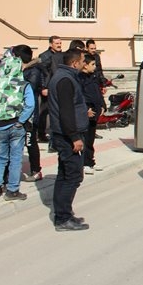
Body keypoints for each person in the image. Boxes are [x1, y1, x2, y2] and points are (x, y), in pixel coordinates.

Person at [48, 47, 90, 231]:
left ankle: (64, 213)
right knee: (72, 176)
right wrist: (74, 137)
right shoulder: (65, 80)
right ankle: (63, 219)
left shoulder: (65, 76)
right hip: (68, 137)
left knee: (65, 175)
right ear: (75, 63)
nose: (84, 63)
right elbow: (66, 112)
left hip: (65, 134)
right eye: (82, 60)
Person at [0, 50, 35, 201]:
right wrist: (21, 121)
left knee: (0, 158)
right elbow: (30, 105)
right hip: (16, 125)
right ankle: (12, 190)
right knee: (15, 159)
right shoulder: (23, 84)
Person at [11, 45, 44, 182]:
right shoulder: (19, 69)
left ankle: (36, 170)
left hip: (30, 114)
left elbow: (26, 89)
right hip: (16, 113)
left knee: (30, 143)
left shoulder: (33, 72)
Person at [79, 53, 104, 175]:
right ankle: (85, 163)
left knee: (91, 139)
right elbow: (81, 96)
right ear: (85, 65)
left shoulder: (93, 77)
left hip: (95, 112)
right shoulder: (80, 78)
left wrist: (102, 105)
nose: (95, 67)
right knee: (86, 139)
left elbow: (97, 93)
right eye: (92, 64)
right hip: (87, 113)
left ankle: (90, 161)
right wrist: (86, 109)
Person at [38, 35, 64, 143]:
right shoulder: (44, 56)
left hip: (58, 87)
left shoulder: (62, 55)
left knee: (58, 112)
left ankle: (57, 134)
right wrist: (43, 87)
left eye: (60, 43)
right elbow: (42, 74)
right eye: (56, 43)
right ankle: (41, 134)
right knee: (44, 112)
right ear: (50, 44)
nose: (59, 45)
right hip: (48, 88)